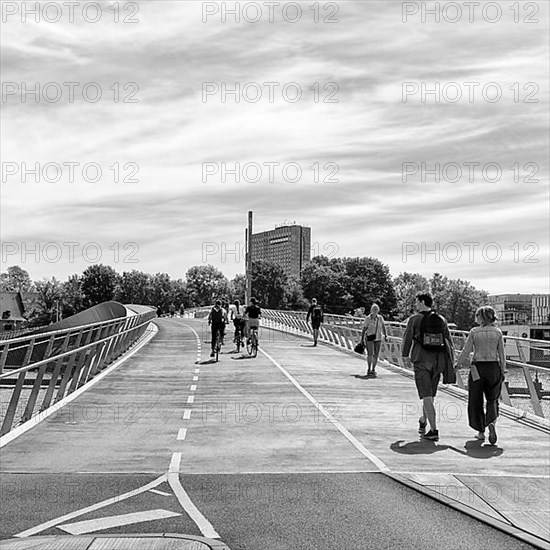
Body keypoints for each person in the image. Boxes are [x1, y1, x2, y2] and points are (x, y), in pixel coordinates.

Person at [401, 293, 454, 442]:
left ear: (422, 302)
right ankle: (423, 420)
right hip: (437, 361)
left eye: (417, 302)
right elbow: (448, 341)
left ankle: (434, 430)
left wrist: (405, 356)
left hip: (421, 360)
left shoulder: (414, 319)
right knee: (429, 395)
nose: (415, 305)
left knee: (426, 396)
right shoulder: (441, 319)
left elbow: (407, 339)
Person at [456, 306, 506, 445]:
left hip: (477, 368)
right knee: (492, 398)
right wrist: (502, 371)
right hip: (493, 367)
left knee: (475, 399)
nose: (475, 318)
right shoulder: (497, 333)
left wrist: (458, 364)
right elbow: (502, 355)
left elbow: (466, 351)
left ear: (481, 317)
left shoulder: (474, 332)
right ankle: (491, 422)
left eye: (477, 316)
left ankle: (480, 431)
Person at [360, 303, 388, 377]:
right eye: (374, 309)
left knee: (376, 354)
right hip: (369, 337)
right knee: (370, 354)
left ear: (378, 310)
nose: (375, 310)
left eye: (376, 309)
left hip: (378, 337)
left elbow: (383, 326)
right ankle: (369, 368)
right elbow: (364, 329)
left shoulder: (380, 318)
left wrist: (385, 335)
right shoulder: (368, 318)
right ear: (371, 310)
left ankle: (373, 369)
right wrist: (362, 338)